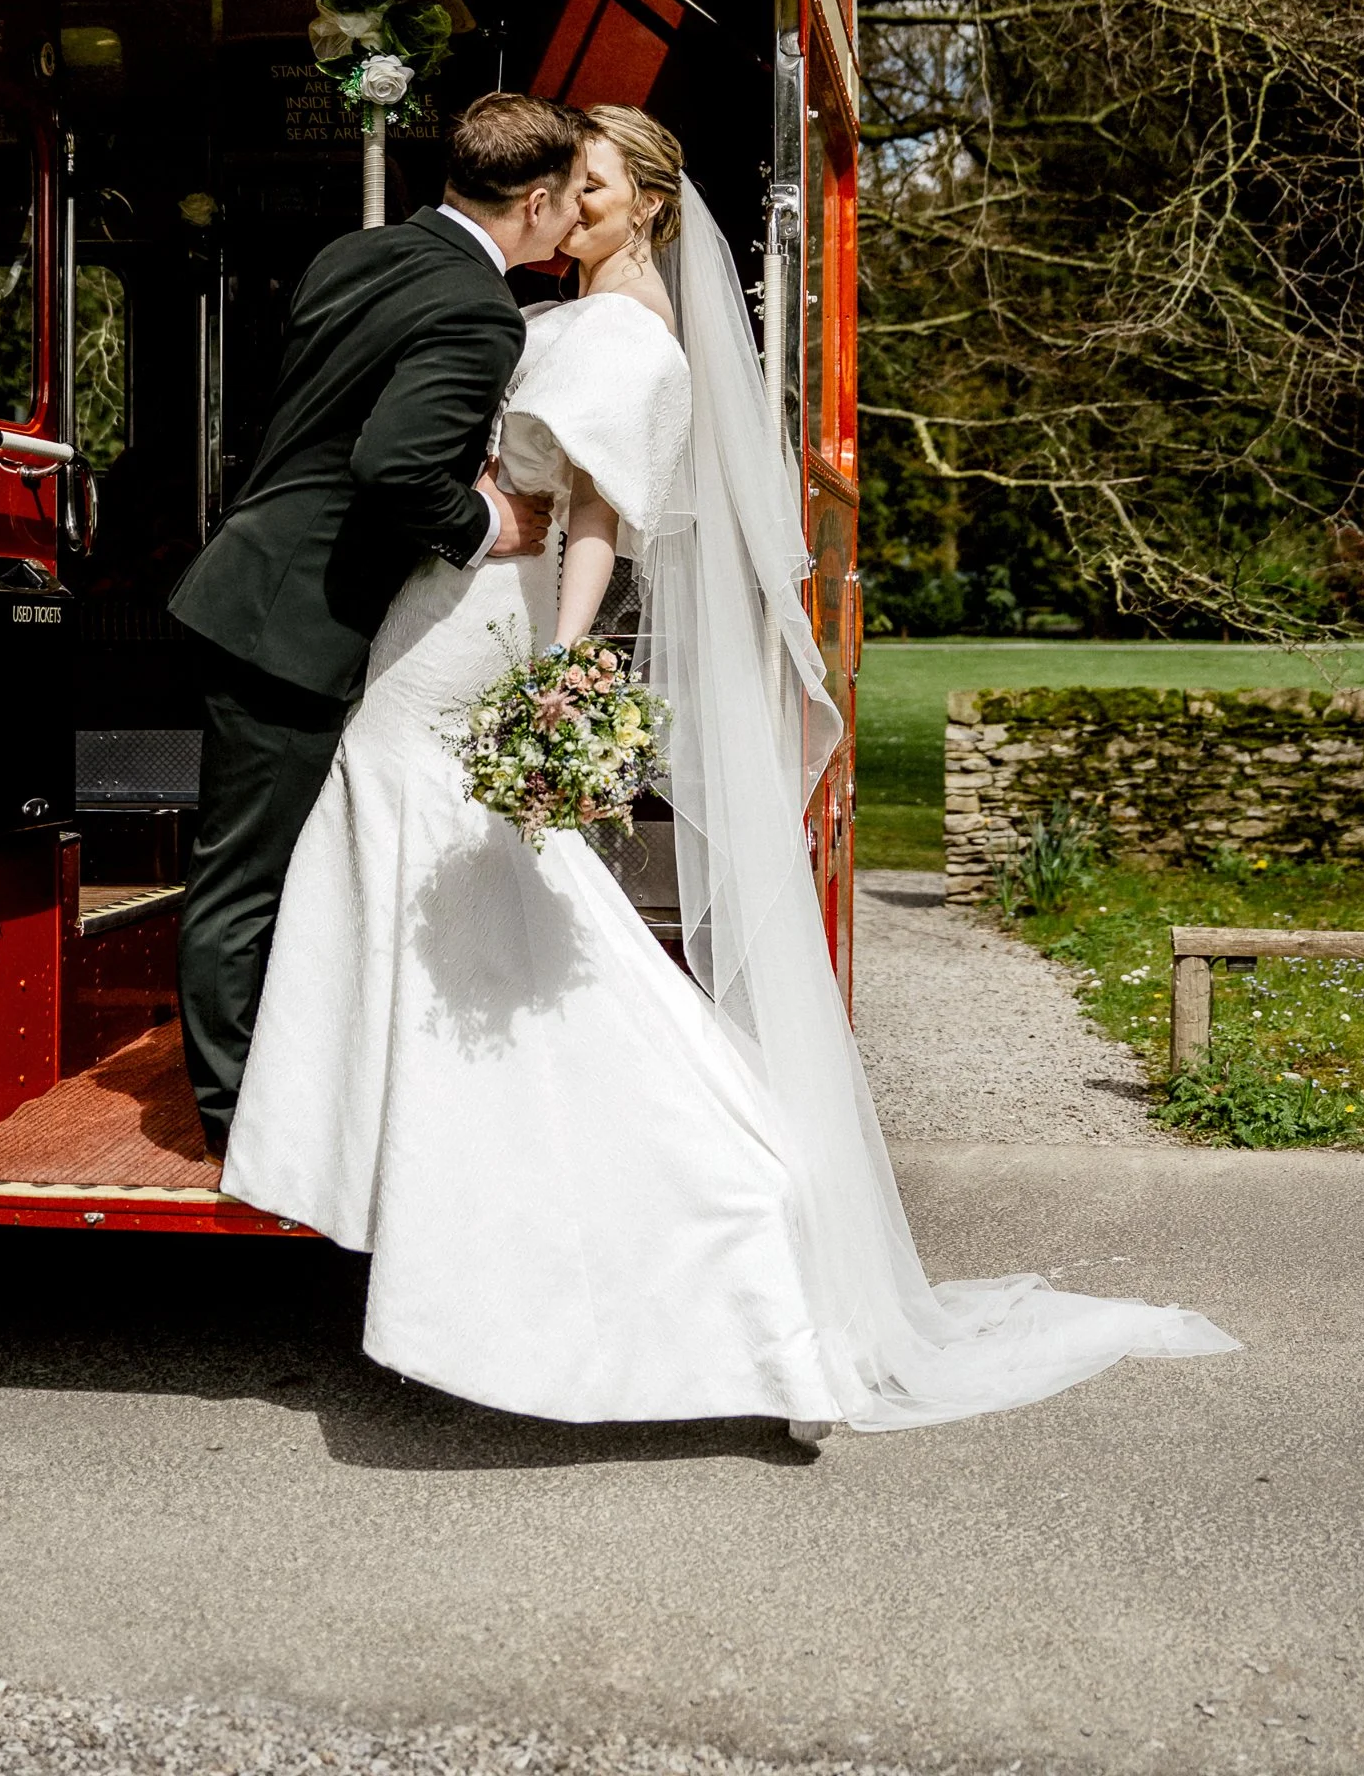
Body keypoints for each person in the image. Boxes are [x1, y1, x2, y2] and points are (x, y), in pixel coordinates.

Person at [222, 105, 1238, 1435]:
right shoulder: (571, 317)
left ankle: (718, 1186)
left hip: (482, 632)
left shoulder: (635, 341)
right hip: (441, 611)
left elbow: (596, 520)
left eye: (588, 186)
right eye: (566, 184)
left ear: (646, 201)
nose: (567, 204)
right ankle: (405, 1170)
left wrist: (559, 671)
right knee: (438, 883)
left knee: (481, 887)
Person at [169, 92, 591, 1159]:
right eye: (568, 200)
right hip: (289, 617)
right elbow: (392, 465)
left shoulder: (352, 256)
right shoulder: (479, 308)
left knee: (259, 866)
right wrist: (484, 516)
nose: (573, 218)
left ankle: (272, 1096)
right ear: (533, 202)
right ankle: (233, 1127)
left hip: (256, 585)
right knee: (246, 877)